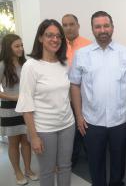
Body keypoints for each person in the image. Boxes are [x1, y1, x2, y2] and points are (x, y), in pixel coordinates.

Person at [69, 11, 126, 186]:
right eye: (98, 26)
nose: (102, 30)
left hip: (119, 121)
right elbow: (74, 85)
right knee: (95, 163)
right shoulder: (81, 54)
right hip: (91, 122)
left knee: (119, 162)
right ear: (92, 29)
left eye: (106, 26)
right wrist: (79, 116)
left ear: (112, 28)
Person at [15, 19, 75, 186]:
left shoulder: (64, 64)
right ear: (40, 38)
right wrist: (33, 136)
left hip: (67, 125)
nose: (55, 39)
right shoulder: (31, 66)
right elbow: (26, 105)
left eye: (58, 36)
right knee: (47, 171)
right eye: (49, 35)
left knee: (65, 167)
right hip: (44, 129)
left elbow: (66, 96)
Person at [0, 34, 38, 185]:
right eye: (17, 46)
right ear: (8, 48)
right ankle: (18, 171)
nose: (21, 48)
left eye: (21, 45)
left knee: (26, 140)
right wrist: (13, 97)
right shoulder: (2, 65)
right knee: (14, 142)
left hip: (27, 109)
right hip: (10, 109)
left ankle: (28, 169)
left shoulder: (27, 64)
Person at [62, 14, 91, 167]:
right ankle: (71, 158)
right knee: (70, 129)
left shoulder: (89, 45)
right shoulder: (58, 46)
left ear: (78, 25)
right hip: (64, 97)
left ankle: (90, 153)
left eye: (71, 24)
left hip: (83, 96)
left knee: (85, 126)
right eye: (65, 25)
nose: (68, 28)